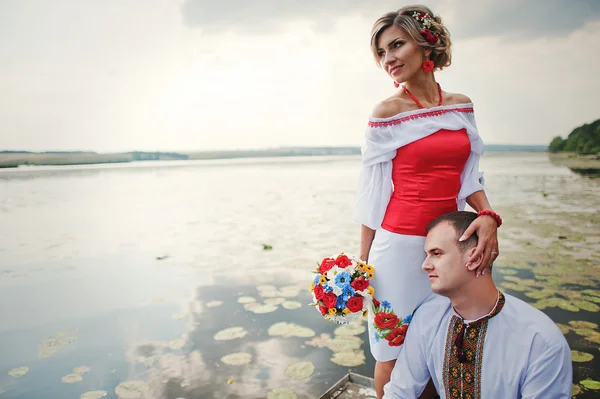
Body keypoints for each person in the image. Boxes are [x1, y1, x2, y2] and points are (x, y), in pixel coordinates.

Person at [353, 5, 500, 397]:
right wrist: (361, 265)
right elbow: (373, 193)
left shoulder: (461, 105)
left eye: (396, 45)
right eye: (382, 53)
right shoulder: (386, 113)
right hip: (398, 251)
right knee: (393, 354)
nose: (389, 59)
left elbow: (469, 175)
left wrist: (487, 215)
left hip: (452, 247)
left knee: (448, 348)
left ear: (425, 45)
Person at [383, 211, 573, 398]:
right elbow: (400, 392)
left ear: (476, 258)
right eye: (427, 254)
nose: (425, 265)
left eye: (437, 253)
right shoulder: (427, 318)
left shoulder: (540, 340)